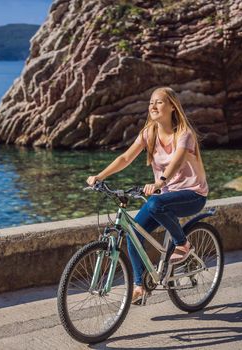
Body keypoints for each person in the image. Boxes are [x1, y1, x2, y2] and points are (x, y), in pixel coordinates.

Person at [86, 87, 209, 304]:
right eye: (151, 102)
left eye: (159, 102)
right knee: (134, 233)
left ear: (172, 106)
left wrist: (160, 182)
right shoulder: (149, 133)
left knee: (154, 204)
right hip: (166, 195)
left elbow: (177, 160)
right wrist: (99, 176)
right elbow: (125, 158)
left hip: (192, 194)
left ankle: (183, 244)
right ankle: (140, 286)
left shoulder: (184, 134)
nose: (153, 106)